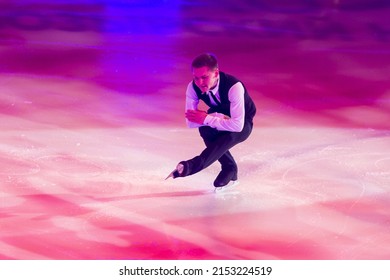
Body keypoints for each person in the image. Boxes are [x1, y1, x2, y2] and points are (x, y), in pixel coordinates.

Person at [166, 53, 256, 188]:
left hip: (244, 122)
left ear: (216, 73)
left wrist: (207, 118)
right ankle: (229, 168)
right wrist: (213, 118)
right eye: (196, 78)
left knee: (228, 135)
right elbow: (191, 122)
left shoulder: (234, 86)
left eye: (204, 77)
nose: (200, 82)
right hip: (219, 116)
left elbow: (237, 125)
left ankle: (191, 166)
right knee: (204, 128)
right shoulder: (192, 87)